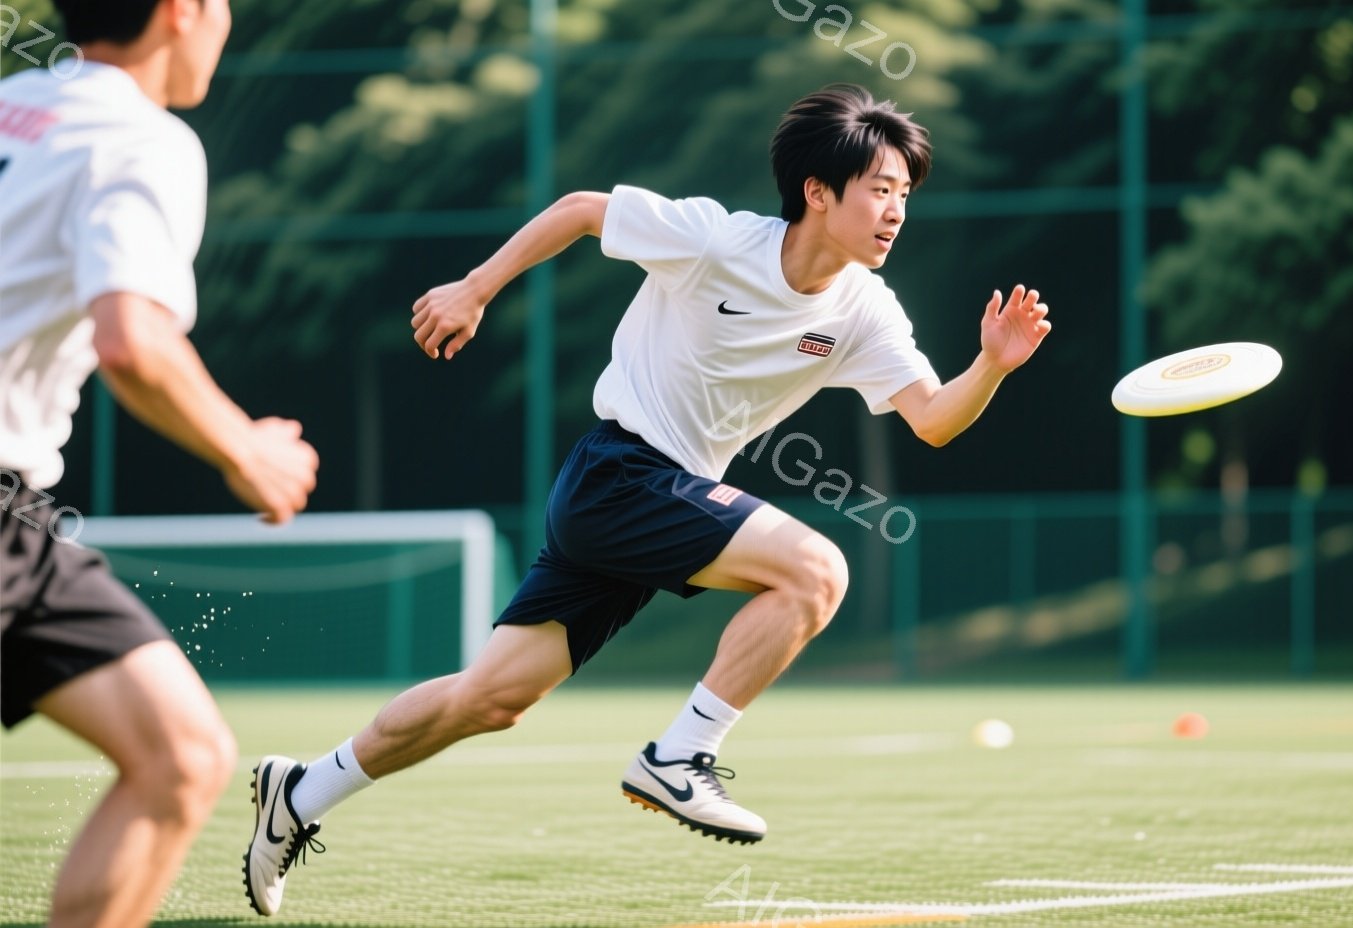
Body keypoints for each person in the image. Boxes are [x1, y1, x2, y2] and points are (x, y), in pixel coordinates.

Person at [241, 82, 1050, 916]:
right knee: (817, 571)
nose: (895, 211)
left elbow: (933, 421)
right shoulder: (717, 240)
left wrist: (991, 364)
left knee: (490, 699)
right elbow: (584, 209)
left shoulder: (865, 311)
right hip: (619, 473)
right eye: (880, 189)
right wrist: (476, 287)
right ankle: (681, 756)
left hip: (648, 499)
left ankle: (299, 794)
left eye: (904, 195)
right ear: (818, 192)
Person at [0, 0, 320, 924]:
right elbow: (133, 340)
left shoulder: (19, 102)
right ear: (183, 11)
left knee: (182, 758)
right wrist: (245, 449)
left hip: (20, 523)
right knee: (178, 761)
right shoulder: (143, 139)